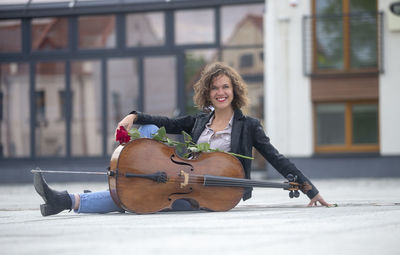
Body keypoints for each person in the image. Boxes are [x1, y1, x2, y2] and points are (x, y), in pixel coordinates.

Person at [34, 62, 331, 217]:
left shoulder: (248, 125)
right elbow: (167, 123)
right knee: (149, 137)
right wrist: (134, 116)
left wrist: (310, 190)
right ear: (208, 92)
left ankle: (68, 200)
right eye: (215, 88)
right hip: (182, 182)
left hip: (215, 195)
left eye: (225, 87)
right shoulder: (200, 119)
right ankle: (69, 200)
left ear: (234, 91)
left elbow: (277, 158)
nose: (220, 92)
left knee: (144, 198)